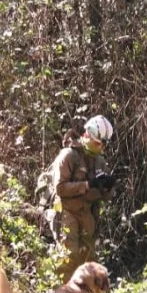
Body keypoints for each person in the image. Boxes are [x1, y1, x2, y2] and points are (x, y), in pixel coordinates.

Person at [47, 115, 116, 282]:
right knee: (69, 258)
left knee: (89, 261)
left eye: (103, 145)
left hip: (87, 214)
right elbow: (60, 188)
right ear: (87, 136)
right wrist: (88, 184)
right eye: (98, 144)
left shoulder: (99, 161)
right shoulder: (68, 156)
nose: (100, 149)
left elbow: (107, 196)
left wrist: (107, 187)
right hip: (67, 212)